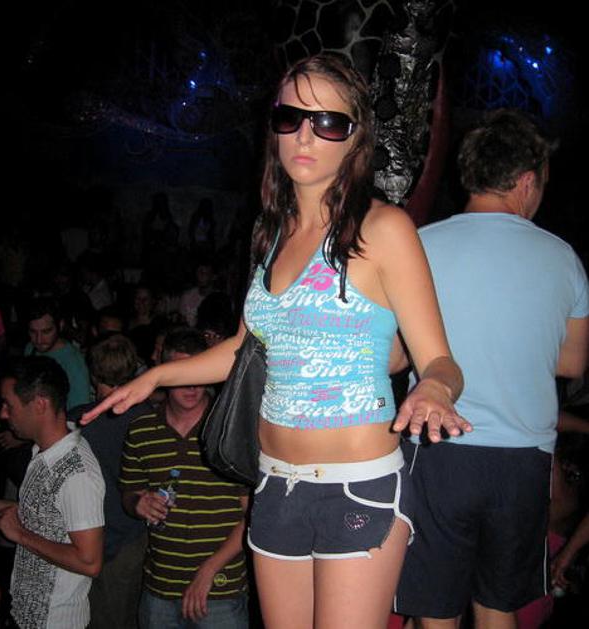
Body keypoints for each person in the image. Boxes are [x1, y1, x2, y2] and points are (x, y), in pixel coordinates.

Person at [83, 54, 469, 629]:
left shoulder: (384, 229)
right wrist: (156, 376)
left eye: (328, 122)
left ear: (355, 138)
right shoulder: (270, 235)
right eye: (291, 118)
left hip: (355, 485)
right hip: (274, 483)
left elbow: (440, 360)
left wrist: (434, 387)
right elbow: (245, 347)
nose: (304, 136)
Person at [394, 109, 589, 628]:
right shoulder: (564, 259)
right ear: (526, 181)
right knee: (498, 609)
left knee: (433, 612)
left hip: (438, 450)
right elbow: (573, 362)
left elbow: (394, 355)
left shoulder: (419, 244)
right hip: (522, 462)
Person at [119, 328, 249, 629]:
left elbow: (253, 514)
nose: (191, 385)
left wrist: (208, 571)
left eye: (197, 374)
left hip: (220, 589)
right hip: (160, 589)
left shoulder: (229, 428)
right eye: (182, 375)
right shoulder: (141, 431)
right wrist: (138, 503)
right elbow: (128, 493)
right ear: (165, 374)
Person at [0, 356, 105, 629]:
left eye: (9, 405)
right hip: (27, 616)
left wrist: (19, 534)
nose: (3, 414)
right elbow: (44, 516)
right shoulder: (44, 453)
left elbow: (89, 562)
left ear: (40, 404)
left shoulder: (76, 473)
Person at [70, 335, 150, 629]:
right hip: (130, 536)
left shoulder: (77, 421)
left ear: (93, 373)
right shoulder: (150, 418)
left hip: (89, 535)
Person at [24, 297, 92, 410]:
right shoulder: (30, 348)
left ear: (60, 326)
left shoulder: (74, 363)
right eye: (33, 332)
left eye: (46, 331)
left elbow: (78, 411)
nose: (39, 340)